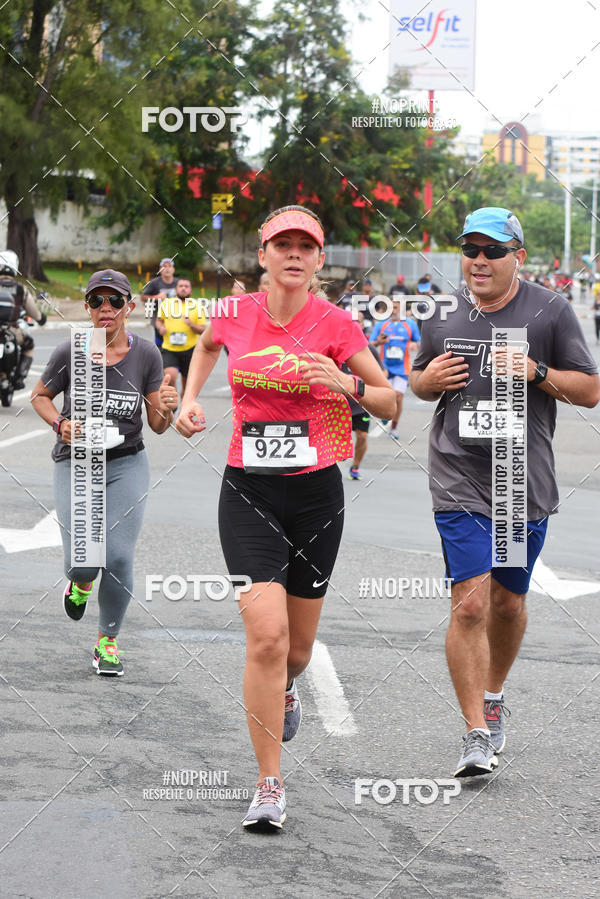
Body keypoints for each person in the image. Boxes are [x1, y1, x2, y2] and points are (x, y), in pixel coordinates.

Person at [175, 205, 395, 829]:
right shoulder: (232, 313)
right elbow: (205, 346)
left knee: (296, 648)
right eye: (282, 245)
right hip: (248, 491)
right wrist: (191, 401)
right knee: (266, 636)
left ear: (319, 260)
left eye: (306, 246)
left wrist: (344, 384)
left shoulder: (337, 324)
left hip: (317, 496)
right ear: (264, 256)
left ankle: (290, 684)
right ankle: (269, 783)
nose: (294, 254)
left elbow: (390, 402)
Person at [410, 207, 599, 778]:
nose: (480, 261)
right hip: (458, 475)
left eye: (493, 250)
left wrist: (538, 373)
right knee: (469, 601)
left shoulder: (550, 310)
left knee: (507, 602)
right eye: (470, 250)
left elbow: (590, 390)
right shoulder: (443, 312)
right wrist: (427, 382)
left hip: (521, 480)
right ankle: (473, 732)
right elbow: (418, 380)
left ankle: (493, 694)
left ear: (517, 254)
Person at [31, 269, 178, 677]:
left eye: (115, 301)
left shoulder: (146, 354)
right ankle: (78, 583)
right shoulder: (70, 350)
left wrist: (167, 405)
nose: (106, 309)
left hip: (126, 462)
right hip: (76, 462)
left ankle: (107, 641)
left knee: (116, 555)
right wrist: (61, 423)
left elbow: (158, 424)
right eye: (97, 301)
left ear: (130, 308)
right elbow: (39, 396)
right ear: (87, 308)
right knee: (83, 561)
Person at [370, 298, 420, 438]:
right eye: (390, 308)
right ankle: (384, 413)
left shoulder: (410, 325)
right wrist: (378, 342)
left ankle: (394, 428)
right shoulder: (381, 325)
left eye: (396, 308)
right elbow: (370, 345)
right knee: (383, 397)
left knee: (398, 396)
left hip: (402, 367)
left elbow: (419, 342)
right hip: (384, 367)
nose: (393, 311)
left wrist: (415, 345)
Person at [0, 250, 46, 388]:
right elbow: (33, 311)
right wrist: (40, 318)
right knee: (29, 345)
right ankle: (19, 377)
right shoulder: (21, 289)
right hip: (12, 331)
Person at [156, 278, 206, 400]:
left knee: (187, 384)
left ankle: (183, 405)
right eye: (180, 286)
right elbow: (158, 320)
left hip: (190, 350)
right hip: (169, 348)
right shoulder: (167, 303)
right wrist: (160, 328)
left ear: (191, 290)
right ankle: (174, 399)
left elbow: (203, 330)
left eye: (186, 286)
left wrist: (191, 325)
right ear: (176, 289)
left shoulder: (197, 306)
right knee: (170, 376)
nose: (183, 288)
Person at [141, 258, 179, 348]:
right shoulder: (154, 283)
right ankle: (159, 356)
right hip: (159, 318)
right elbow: (143, 297)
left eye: (169, 266)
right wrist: (156, 297)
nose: (167, 268)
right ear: (160, 269)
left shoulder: (178, 283)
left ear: (173, 269)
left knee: (175, 343)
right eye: (164, 266)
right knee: (160, 344)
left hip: (176, 317)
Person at [592, 278, 600, 343]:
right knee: (597, 328)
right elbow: (592, 307)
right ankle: (597, 339)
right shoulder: (595, 301)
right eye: (598, 295)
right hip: (596, 316)